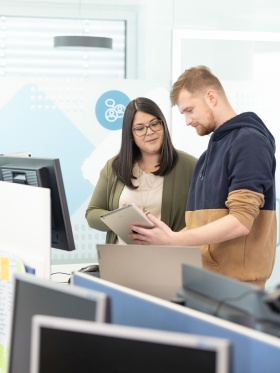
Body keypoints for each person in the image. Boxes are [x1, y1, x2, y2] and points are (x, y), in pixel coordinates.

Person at [129, 66, 277, 289]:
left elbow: (241, 221)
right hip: (206, 282)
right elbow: (202, 227)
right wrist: (163, 236)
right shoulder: (208, 157)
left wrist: (173, 240)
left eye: (189, 110)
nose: (187, 121)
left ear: (210, 97)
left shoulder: (249, 142)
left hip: (236, 289)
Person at [86, 96, 197, 244]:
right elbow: (92, 214)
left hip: (166, 260)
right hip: (121, 260)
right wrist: (121, 218)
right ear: (130, 135)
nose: (149, 132)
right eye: (139, 128)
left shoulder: (190, 166)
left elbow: (203, 219)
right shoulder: (114, 167)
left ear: (163, 125)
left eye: (154, 124)